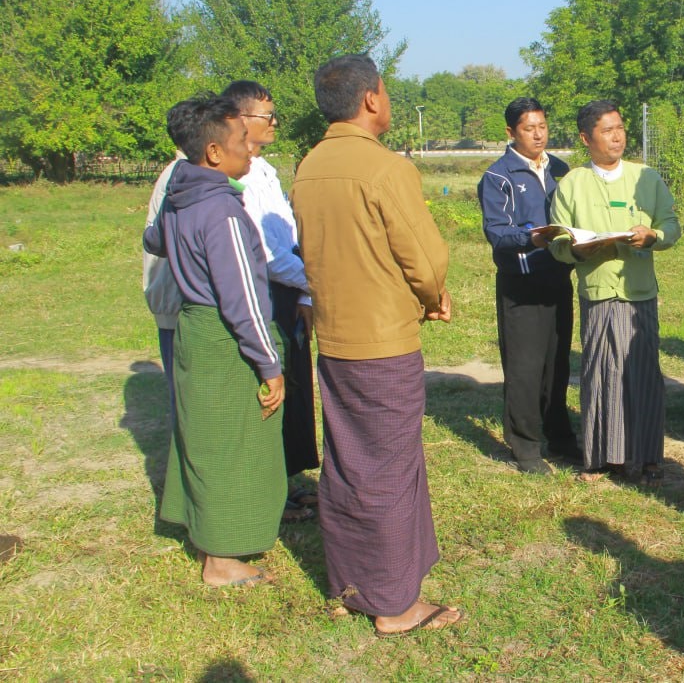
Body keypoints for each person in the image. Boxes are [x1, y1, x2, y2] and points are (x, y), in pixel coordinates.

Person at [291, 54, 462, 637]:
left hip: (334, 338)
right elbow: (425, 256)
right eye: (386, 92)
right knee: (389, 468)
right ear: (371, 99)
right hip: (383, 343)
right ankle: (393, 604)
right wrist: (434, 295)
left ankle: (351, 584)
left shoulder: (309, 167)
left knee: (346, 462)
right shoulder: (385, 168)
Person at [142, 93, 285, 587]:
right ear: (214, 152)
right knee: (233, 441)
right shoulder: (221, 211)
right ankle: (222, 560)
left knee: (202, 437)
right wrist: (269, 364)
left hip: (193, 331)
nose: (250, 148)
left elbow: (154, 239)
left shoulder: (182, 195)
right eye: (241, 139)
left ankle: (203, 532)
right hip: (224, 338)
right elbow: (243, 299)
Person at [548, 100, 679, 483]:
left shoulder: (646, 178)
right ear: (585, 138)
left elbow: (671, 225)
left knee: (643, 373)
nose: (617, 136)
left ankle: (647, 457)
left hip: (639, 293)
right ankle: (602, 457)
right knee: (601, 372)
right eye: (607, 130)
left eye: (620, 127)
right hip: (598, 292)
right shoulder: (572, 184)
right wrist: (576, 250)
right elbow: (557, 241)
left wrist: (653, 235)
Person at [222, 81, 318, 521]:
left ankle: (285, 481)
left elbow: (287, 236)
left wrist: (306, 290)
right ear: (240, 119)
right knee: (270, 389)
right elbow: (263, 251)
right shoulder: (234, 174)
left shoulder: (264, 169)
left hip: (291, 289)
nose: (275, 122)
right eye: (267, 116)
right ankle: (265, 493)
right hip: (265, 292)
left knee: (295, 387)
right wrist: (315, 283)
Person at [478, 97, 581, 474]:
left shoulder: (561, 170)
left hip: (558, 277)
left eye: (542, 126)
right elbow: (496, 232)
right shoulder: (498, 177)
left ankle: (560, 436)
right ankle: (525, 446)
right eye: (528, 128)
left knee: (556, 363)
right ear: (511, 132)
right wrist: (531, 238)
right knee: (524, 367)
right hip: (521, 283)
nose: (538, 135)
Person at [143, 146, 185, 427]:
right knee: (185, 401)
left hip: (177, 302)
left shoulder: (182, 173)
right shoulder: (180, 176)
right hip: (177, 306)